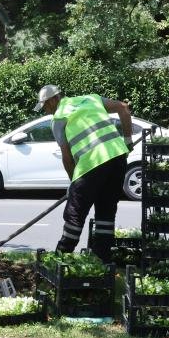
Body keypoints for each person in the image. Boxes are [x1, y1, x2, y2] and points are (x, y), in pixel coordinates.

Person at [34, 84, 131, 262]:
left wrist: (74, 185)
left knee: (75, 214)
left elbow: (67, 158)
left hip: (91, 164)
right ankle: (102, 262)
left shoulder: (59, 119)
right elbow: (123, 108)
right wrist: (128, 140)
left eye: (46, 106)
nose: (46, 111)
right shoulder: (91, 99)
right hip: (117, 158)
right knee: (106, 212)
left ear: (54, 99)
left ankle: (61, 258)